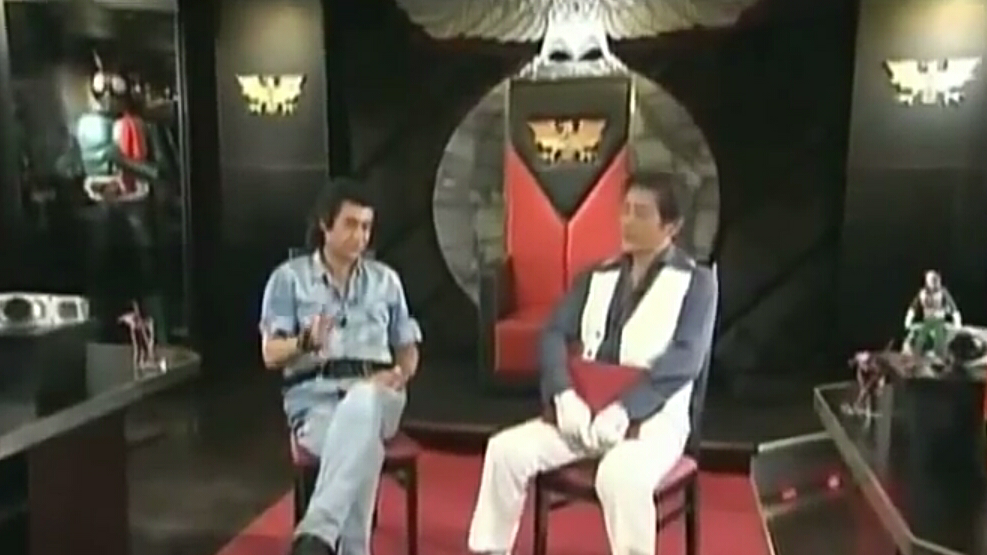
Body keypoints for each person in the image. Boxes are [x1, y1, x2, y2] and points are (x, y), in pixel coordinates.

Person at [467, 173, 717, 555]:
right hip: (584, 413)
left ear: (671, 226)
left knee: (619, 476)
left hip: (652, 422)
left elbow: (686, 358)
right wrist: (564, 394)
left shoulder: (696, 282)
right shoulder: (598, 274)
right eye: (625, 209)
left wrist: (626, 409)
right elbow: (553, 333)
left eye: (641, 213)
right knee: (505, 451)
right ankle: (489, 550)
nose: (627, 220)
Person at [259, 178, 422, 555]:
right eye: (350, 224)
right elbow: (269, 354)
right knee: (362, 449)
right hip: (315, 402)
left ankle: (317, 530)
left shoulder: (386, 281)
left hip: (380, 396)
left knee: (365, 400)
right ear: (324, 224)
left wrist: (401, 374)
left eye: (366, 227)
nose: (360, 236)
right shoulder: (288, 279)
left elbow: (407, 348)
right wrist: (304, 342)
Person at [903, 270, 961, 359]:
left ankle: (941, 357)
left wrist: (957, 322)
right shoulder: (922, 293)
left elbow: (952, 307)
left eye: (934, 279)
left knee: (939, 339)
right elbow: (914, 307)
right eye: (929, 280)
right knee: (920, 339)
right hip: (927, 321)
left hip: (939, 320)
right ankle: (915, 357)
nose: (932, 282)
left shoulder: (942, 292)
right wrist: (908, 319)